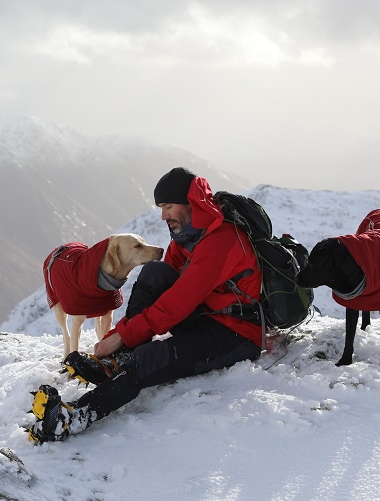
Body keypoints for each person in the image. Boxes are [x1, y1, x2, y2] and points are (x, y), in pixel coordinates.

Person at [27, 167, 265, 443]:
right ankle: (118, 361)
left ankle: (73, 417)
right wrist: (120, 337)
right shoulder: (190, 233)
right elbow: (164, 284)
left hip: (235, 333)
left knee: (150, 358)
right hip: (206, 315)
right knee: (155, 273)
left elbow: (177, 303)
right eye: (161, 208)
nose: (163, 215)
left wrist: (121, 335)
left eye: (168, 206)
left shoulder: (220, 241)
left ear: (190, 203)